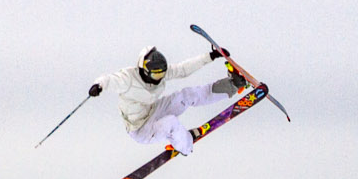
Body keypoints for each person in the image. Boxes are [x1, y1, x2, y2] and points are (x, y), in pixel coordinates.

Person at [89, 46, 246, 159]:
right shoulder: (128, 79)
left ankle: (232, 85)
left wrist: (210, 56)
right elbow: (109, 80)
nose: (159, 78)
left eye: (161, 74)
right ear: (144, 70)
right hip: (140, 129)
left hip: (153, 111)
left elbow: (183, 69)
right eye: (156, 75)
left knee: (186, 95)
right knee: (171, 122)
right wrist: (99, 86)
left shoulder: (161, 75)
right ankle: (186, 146)